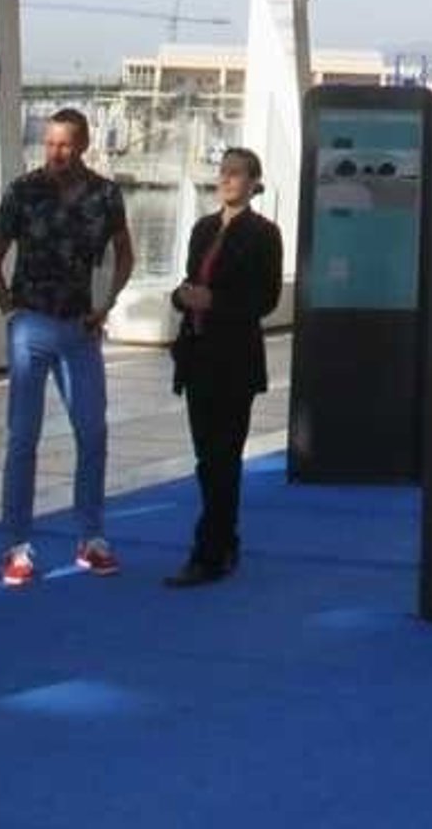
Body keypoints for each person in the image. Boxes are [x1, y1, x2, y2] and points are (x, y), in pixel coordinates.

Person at [0, 107, 134, 586]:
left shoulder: (105, 195)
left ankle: (91, 537)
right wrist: (10, 311)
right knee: (22, 438)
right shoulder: (23, 191)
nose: (55, 153)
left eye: (65, 144)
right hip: (31, 325)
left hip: (80, 329)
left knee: (93, 431)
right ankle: (16, 545)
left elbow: (125, 254)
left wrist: (106, 303)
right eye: (49, 144)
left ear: (84, 145)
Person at [163, 146, 285, 586]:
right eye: (224, 171)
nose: (227, 179)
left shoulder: (264, 234)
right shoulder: (203, 228)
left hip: (233, 358)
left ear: (253, 182)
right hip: (197, 355)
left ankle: (210, 550)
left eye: (237, 173)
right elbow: (189, 282)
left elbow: (266, 299)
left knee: (223, 455)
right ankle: (224, 538)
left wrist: (215, 301)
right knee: (206, 457)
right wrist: (183, 297)